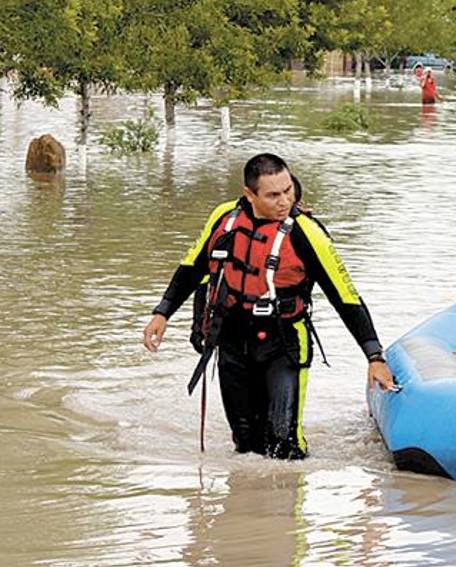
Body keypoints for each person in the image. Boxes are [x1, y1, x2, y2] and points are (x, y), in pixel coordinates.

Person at [141, 153, 394, 459]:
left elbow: (346, 297)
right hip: (232, 337)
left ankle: (291, 502)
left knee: (284, 443)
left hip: (284, 342)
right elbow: (193, 267)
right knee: (245, 443)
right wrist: (162, 312)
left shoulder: (307, 233)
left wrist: (374, 356)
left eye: (288, 191)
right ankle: (246, 504)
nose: (284, 201)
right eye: (273, 195)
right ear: (250, 194)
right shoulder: (225, 218)